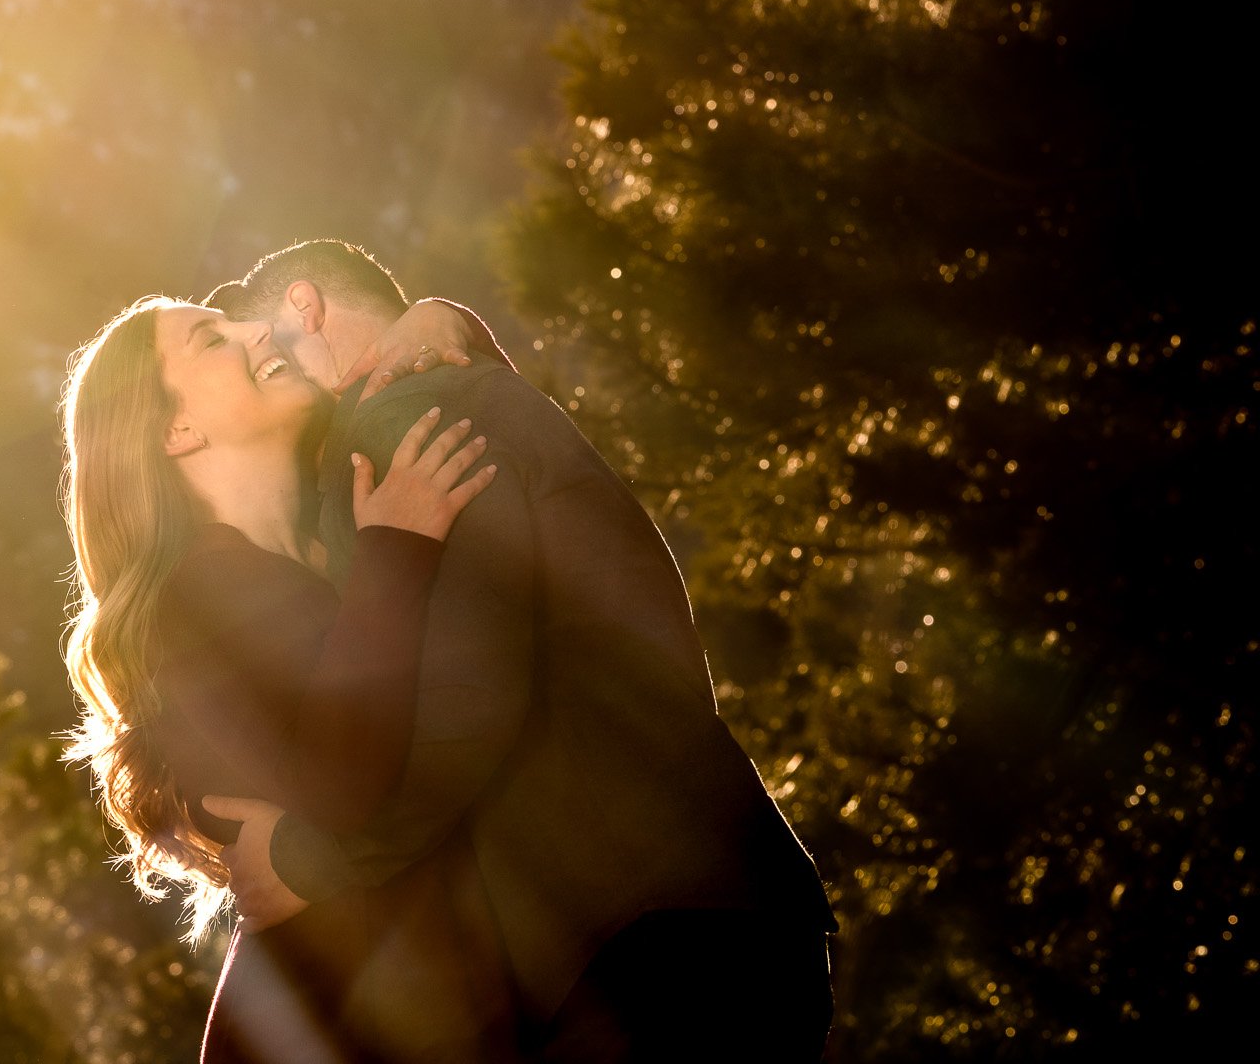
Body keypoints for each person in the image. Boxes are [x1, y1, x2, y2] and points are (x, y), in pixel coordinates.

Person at [203, 240, 835, 1063]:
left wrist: (308, 858)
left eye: (262, 349)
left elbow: (464, 697)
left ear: (305, 308)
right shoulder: (462, 395)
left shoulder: (404, 417)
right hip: (686, 918)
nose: (263, 367)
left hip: (644, 941)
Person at [60, 294, 516, 1063]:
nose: (256, 328)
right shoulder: (202, 598)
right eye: (211, 338)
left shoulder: (345, 525)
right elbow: (343, 783)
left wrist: (445, 317)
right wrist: (397, 551)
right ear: (178, 430)